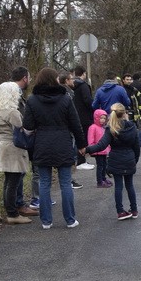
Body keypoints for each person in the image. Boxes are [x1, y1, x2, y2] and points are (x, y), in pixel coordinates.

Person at [22, 67, 85, 229]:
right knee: (65, 183)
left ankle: (46, 221)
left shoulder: (32, 100)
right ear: (54, 80)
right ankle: (70, 220)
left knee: (44, 183)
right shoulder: (65, 99)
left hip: (41, 143)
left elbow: (28, 126)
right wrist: (81, 144)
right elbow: (75, 123)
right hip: (63, 142)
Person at [83, 102, 141, 220]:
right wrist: (134, 160)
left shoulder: (111, 129)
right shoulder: (132, 127)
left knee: (118, 186)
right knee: (130, 185)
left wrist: (86, 149)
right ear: (125, 113)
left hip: (116, 159)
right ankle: (134, 209)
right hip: (129, 158)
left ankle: (120, 211)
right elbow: (137, 147)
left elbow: (101, 145)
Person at [0, 81, 33, 224]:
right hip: (13, 148)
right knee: (14, 182)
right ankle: (13, 214)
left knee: (8, 181)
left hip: (2, 146)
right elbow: (22, 129)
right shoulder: (12, 112)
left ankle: (10, 211)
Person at [72, 66, 95, 170]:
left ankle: (77, 160)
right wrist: (93, 108)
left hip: (74, 115)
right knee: (83, 138)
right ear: (84, 73)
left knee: (76, 138)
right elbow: (88, 100)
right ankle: (81, 161)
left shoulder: (71, 85)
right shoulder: (83, 85)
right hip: (84, 116)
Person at [88, 109, 111, 188]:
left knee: (104, 165)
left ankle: (103, 178)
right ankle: (99, 181)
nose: (103, 120)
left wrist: (108, 148)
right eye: (101, 118)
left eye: (104, 118)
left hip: (104, 150)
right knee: (100, 166)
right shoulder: (93, 127)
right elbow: (91, 140)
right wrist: (92, 149)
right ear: (97, 118)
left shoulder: (104, 128)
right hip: (98, 151)